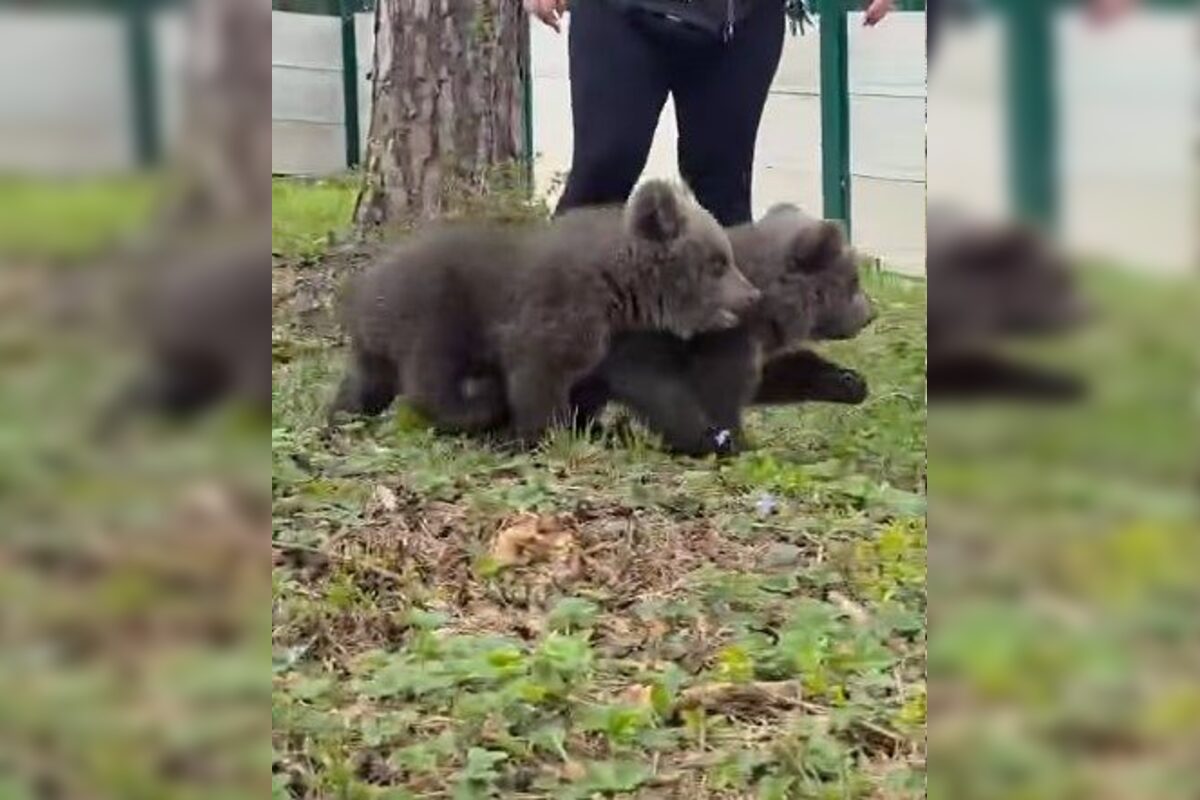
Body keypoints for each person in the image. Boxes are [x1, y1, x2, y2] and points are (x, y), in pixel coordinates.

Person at [526, 0, 896, 227]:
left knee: (723, 186)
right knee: (606, 166)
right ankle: (548, 329)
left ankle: (726, 343)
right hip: (620, 17)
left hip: (741, 23)